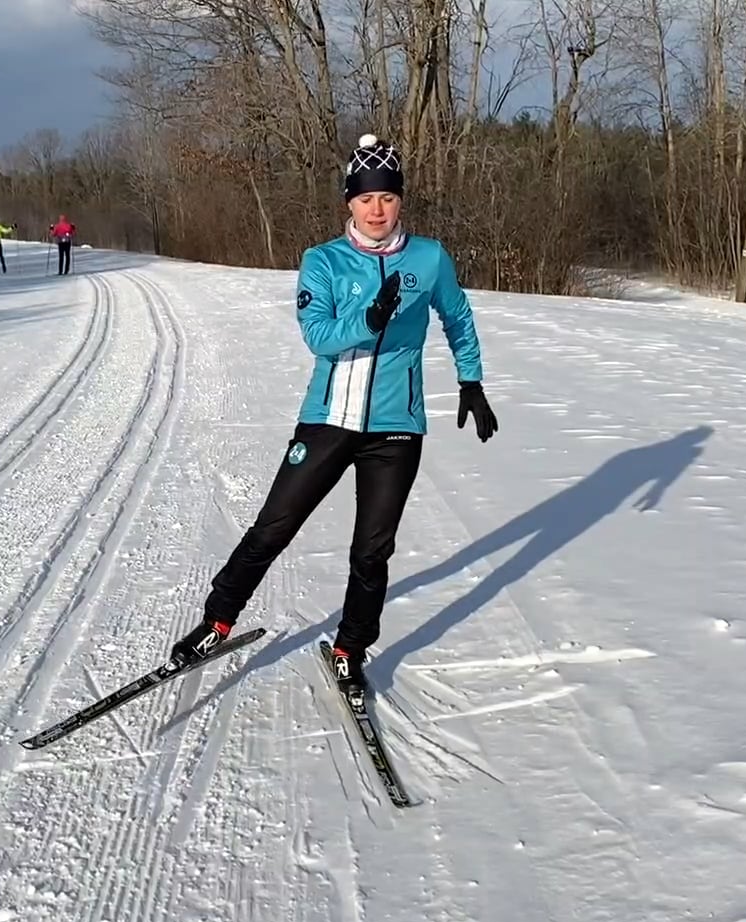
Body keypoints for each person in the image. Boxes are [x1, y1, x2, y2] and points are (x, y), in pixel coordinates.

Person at [168, 134, 498, 690]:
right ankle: (217, 621)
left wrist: (472, 380)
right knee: (274, 527)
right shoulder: (322, 261)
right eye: (366, 198)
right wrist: (369, 319)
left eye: (388, 198)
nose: (377, 209)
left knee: (373, 550)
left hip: (397, 427)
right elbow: (318, 336)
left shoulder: (429, 258)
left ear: (400, 201)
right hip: (327, 420)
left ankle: (351, 647)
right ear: (349, 200)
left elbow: (459, 319)